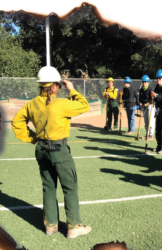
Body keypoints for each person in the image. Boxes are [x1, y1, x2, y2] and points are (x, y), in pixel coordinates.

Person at [11, 66, 91, 239]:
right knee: (70, 187)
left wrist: (33, 138)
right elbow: (84, 105)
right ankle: (74, 226)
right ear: (55, 86)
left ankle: (51, 226)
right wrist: (72, 90)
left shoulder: (31, 104)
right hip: (59, 149)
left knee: (48, 187)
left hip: (41, 149)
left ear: (40, 85)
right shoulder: (61, 104)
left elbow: (17, 122)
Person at [139, 75, 155, 140]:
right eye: (143, 82)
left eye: (145, 82)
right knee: (146, 121)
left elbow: (152, 100)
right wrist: (140, 104)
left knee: (150, 121)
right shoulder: (141, 90)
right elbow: (140, 99)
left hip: (150, 106)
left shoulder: (151, 89)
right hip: (144, 106)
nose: (144, 83)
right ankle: (147, 134)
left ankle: (151, 135)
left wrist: (144, 105)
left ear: (148, 82)